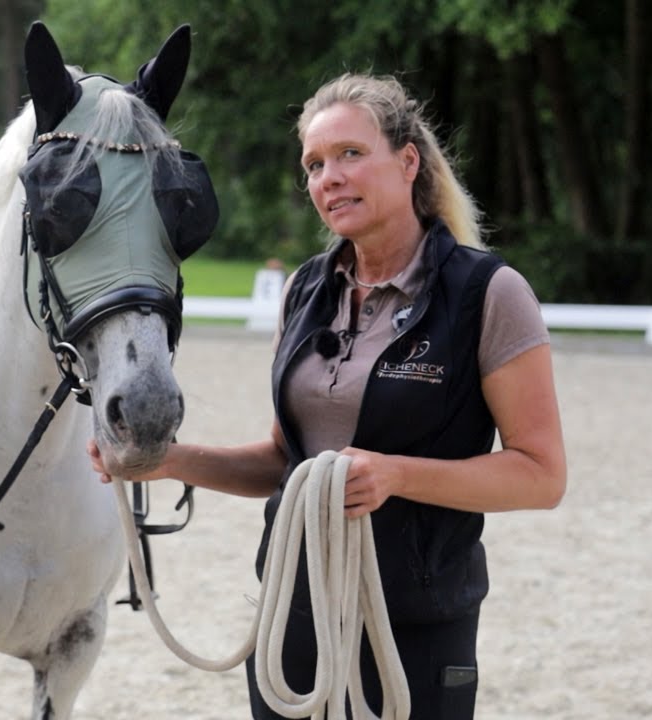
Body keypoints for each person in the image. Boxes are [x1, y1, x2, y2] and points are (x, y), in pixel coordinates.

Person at [89, 72, 566, 719]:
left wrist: (395, 475)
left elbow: (540, 476)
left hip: (415, 630)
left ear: (406, 162)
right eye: (314, 165)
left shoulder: (489, 294)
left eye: (349, 154)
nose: (328, 177)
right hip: (293, 614)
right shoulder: (307, 292)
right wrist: (167, 460)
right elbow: (287, 462)